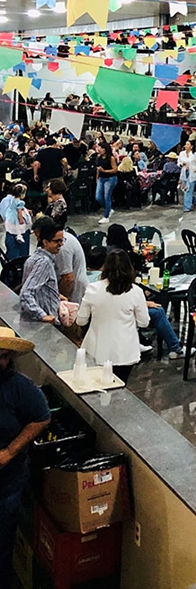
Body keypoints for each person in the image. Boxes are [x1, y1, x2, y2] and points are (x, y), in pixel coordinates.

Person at [0, 328, 50, 573]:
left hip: (6, 483)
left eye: (4, 356)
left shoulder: (18, 386)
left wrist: (10, 451)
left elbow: (41, 418)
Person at [75, 250, 150, 384]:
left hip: (96, 350)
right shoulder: (136, 291)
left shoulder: (93, 289)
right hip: (125, 352)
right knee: (120, 386)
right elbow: (144, 322)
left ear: (105, 267)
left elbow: (81, 320)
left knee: (96, 386)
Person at [19, 217, 64, 324]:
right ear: (45, 242)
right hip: (46, 321)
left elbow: (40, 287)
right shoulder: (44, 263)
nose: (61, 244)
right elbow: (25, 293)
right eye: (57, 241)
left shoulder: (34, 257)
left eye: (62, 240)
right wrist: (42, 315)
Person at [54, 223, 89, 305]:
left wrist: (62, 301)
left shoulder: (62, 248)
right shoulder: (67, 237)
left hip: (74, 292)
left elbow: (68, 278)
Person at [0, 184, 31, 261]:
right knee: (16, 255)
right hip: (17, 227)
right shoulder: (16, 202)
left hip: (12, 224)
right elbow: (19, 213)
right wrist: (21, 220)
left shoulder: (13, 201)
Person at [95, 138, 118, 224]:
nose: (100, 150)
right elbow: (98, 168)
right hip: (101, 178)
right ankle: (108, 208)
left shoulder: (111, 158)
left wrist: (104, 171)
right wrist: (97, 178)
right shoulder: (99, 158)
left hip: (110, 178)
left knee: (107, 197)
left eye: (102, 148)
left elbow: (115, 169)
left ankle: (106, 216)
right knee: (98, 197)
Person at [178, 140, 196, 213]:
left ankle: (187, 207)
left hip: (192, 174)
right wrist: (181, 164)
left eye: (188, 144)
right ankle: (194, 200)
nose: (186, 146)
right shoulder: (182, 154)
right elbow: (178, 162)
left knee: (188, 190)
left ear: (191, 146)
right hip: (184, 173)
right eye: (185, 144)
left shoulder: (194, 154)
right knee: (185, 190)